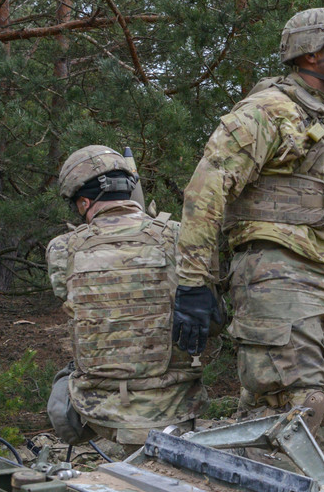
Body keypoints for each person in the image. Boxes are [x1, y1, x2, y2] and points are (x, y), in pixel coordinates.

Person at [174, 7, 324, 453]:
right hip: (278, 268)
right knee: (294, 403)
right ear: (308, 55)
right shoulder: (267, 111)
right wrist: (193, 282)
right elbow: (206, 192)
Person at [46, 145, 208, 453]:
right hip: (172, 405)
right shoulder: (177, 235)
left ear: (83, 203)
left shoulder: (62, 249)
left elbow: (69, 297)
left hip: (96, 408)